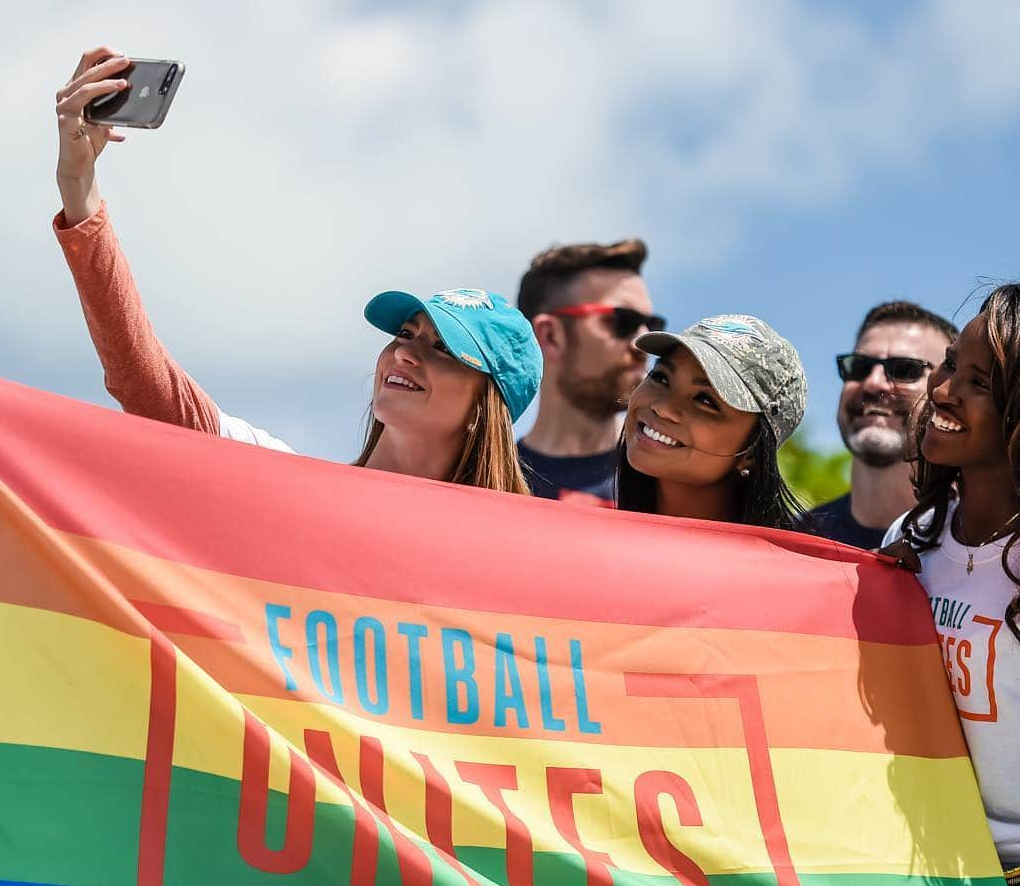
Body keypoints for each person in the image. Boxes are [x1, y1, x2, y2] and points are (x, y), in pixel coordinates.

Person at [52, 47, 541, 494]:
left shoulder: (521, 553)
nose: (404, 353)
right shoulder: (290, 486)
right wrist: (80, 188)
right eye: (406, 333)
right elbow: (143, 379)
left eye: (441, 348)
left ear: (487, 406)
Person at [882, 282, 1020, 886]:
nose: (941, 391)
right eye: (949, 365)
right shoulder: (911, 538)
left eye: (979, 383)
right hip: (911, 884)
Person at [617, 314, 807, 528]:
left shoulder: (780, 562)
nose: (663, 408)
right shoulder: (585, 541)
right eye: (661, 378)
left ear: (753, 450)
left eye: (705, 400)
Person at [516, 239, 664, 505]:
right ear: (551, 336)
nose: (642, 343)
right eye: (623, 321)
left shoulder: (671, 482)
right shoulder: (487, 480)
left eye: (651, 324)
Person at [806, 302, 955, 549]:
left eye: (905, 369)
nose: (874, 383)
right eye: (859, 367)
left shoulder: (980, 547)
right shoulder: (796, 540)